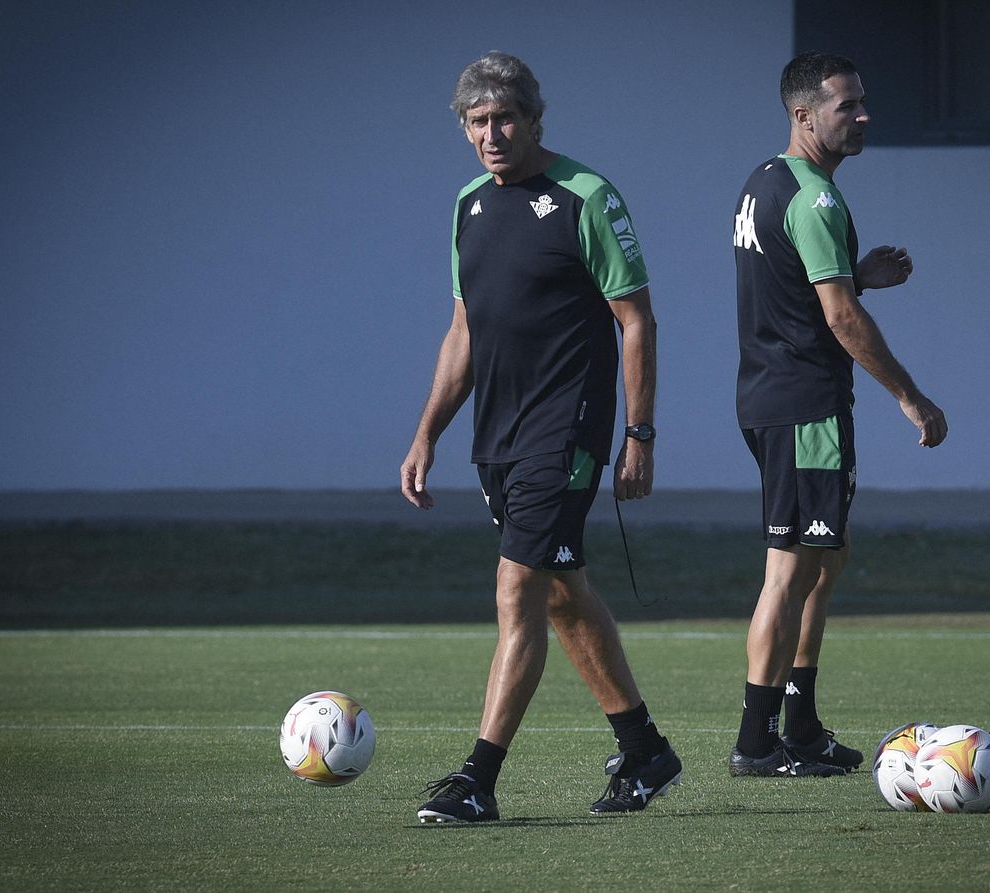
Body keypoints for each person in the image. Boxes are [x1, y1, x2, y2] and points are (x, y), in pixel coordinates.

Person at [399, 51, 679, 822]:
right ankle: (645, 747)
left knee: (517, 586)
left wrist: (640, 433)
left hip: (567, 432)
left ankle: (477, 780)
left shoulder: (587, 196)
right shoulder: (467, 206)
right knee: (562, 591)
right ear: (463, 127)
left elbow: (636, 319)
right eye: (477, 122)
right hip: (498, 435)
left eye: (505, 118)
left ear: (534, 119)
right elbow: (463, 329)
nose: (492, 133)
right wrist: (426, 432)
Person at [729, 52, 947, 777]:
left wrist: (858, 274)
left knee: (828, 554)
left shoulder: (765, 181)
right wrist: (910, 395)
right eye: (847, 105)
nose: (862, 115)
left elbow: (799, 290)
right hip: (806, 405)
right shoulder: (815, 198)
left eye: (861, 102)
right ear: (803, 114)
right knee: (791, 568)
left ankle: (801, 721)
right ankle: (759, 742)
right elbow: (839, 318)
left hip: (770, 396)